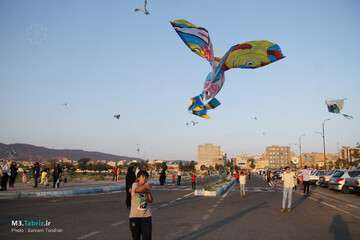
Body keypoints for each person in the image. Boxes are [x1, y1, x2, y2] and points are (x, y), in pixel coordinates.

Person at [129, 170, 153, 240]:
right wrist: (146, 187)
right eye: (143, 177)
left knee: (147, 237)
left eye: (146, 177)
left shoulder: (146, 187)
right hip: (134, 217)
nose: (144, 179)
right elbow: (137, 190)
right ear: (138, 178)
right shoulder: (134, 185)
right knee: (136, 237)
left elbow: (150, 200)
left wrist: (148, 192)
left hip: (146, 217)